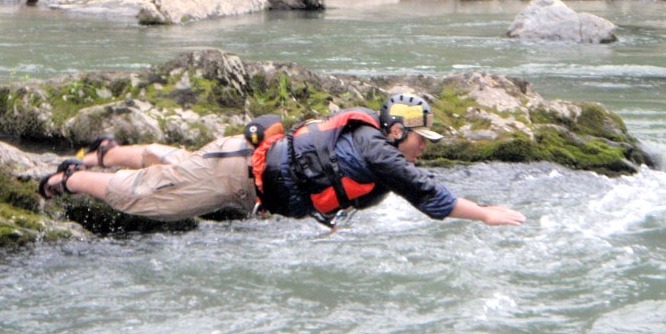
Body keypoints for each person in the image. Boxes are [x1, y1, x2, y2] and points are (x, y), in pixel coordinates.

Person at [39, 93, 526, 228]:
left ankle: (106, 151)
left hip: (242, 160)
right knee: (146, 199)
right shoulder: (381, 152)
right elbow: (427, 195)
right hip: (236, 178)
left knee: (178, 165)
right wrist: (483, 213)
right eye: (421, 137)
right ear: (397, 130)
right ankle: (75, 178)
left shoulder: (367, 139)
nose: (425, 146)